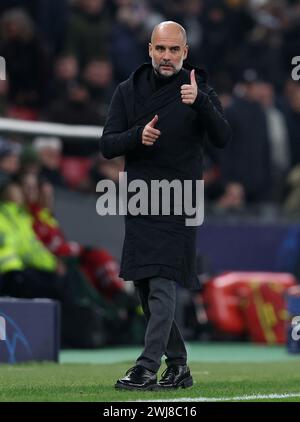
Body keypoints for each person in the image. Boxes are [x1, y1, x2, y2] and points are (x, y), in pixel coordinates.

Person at [100, 21, 231, 390]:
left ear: (185, 53)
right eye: (161, 49)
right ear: (150, 50)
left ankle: (145, 366)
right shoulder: (128, 90)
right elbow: (108, 144)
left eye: (175, 50)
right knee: (145, 285)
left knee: (161, 282)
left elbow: (223, 136)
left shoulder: (197, 88)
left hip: (180, 199)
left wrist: (201, 103)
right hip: (141, 199)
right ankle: (179, 366)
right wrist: (136, 137)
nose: (167, 56)